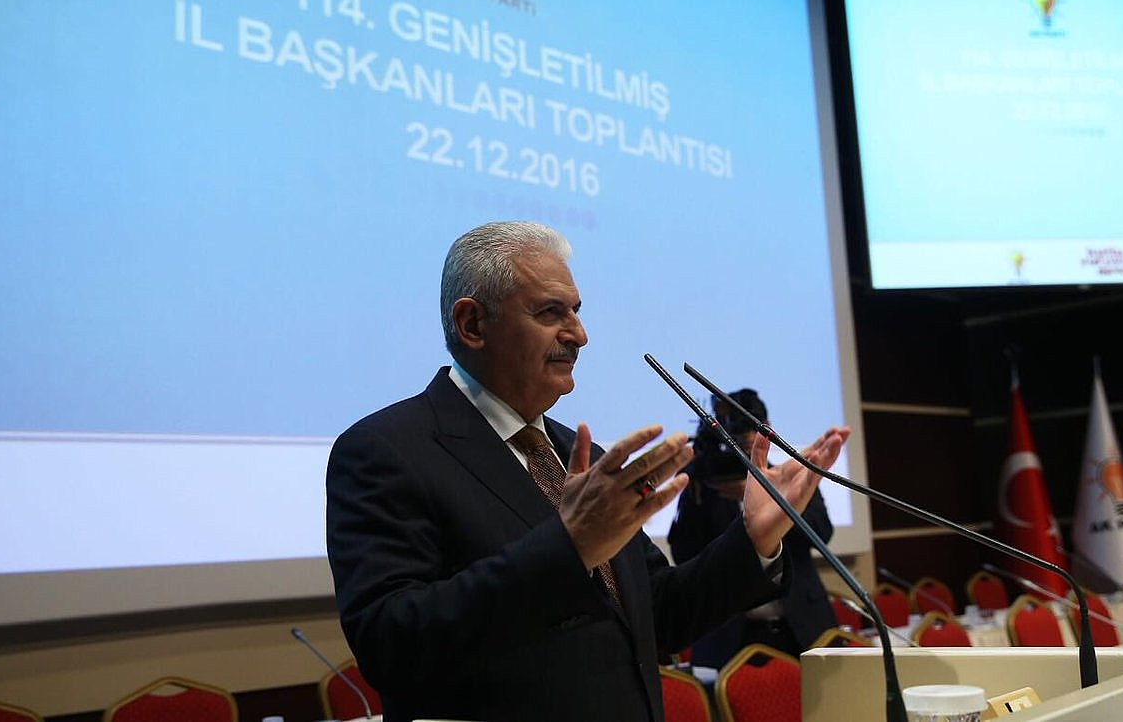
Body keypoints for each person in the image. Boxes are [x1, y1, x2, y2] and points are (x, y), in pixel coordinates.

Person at [326, 221, 849, 722]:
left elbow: (659, 613)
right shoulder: (386, 450)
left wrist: (754, 538)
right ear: (473, 325)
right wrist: (568, 546)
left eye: (576, 311)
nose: (579, 335)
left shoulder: (583, 456)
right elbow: (391, 643)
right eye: (550, 312)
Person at [668, 388, 839, 665]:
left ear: (768, 428)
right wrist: (695, 496)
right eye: (735, 428)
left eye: (751, 426)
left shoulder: (791, 477)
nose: (745, 436)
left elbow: (822, 532)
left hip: (802, 626)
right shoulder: (707, 484)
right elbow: (684, 553)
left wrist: (776, 502)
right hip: (730, 633)